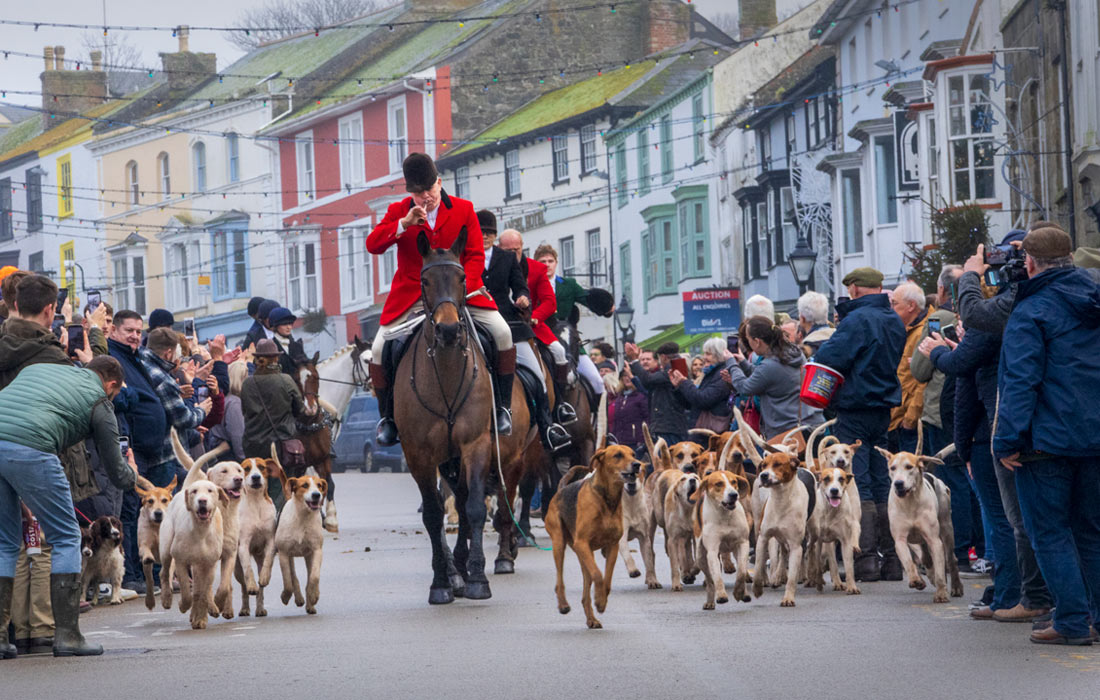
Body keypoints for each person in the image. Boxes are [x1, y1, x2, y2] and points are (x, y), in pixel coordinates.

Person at [993, 224, 1100, 646]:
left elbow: (1022, 381)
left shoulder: (1031, 310)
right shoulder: (1093, 300)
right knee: (1091, 530)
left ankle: (1072, 621)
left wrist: (1006, 440)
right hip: (1094, 437)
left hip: (1045, 441)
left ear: (1031, 263)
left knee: (1050, 533)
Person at [367, 152, 514, 444]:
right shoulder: (400, 211)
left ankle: (502, 408)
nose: (425, 197)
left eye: (429, 190)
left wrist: (462, 289)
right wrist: (403, 224)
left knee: (503, 333)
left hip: (460, 293)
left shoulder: (463, 209)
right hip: (412, 296)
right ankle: (388, 419)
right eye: (418, 193)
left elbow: (474, 255)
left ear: (439, 182)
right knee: (378, 349)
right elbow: (373, 245)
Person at [0, 355, 138, 657]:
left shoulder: (39, 368)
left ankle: (0, 638)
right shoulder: (100, 403)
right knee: (67, 538)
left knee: (5, 544)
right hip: (32, 447)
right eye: (115, 392)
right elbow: (116, 472)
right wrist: (134, 475)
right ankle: (68, 635)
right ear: (111, 384)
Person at [919, 313, 1021, 619]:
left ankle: (1010, 594)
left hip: (987, 438)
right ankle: (1023, 593)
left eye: (966, 319)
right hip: (1001, 436)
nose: (961, 323)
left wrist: (941, 353)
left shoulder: (985, 337)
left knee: (1004, 521)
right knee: (1020, 522)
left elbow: (962, 388)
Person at [813, 267, 905, 583]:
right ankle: (893, 560)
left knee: (858, 482)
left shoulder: (856, 320)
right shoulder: (894, 319)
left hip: (854, 408)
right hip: (883, 409)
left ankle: (865, 560)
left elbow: (830, 356)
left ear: (853, 289)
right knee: (883, 482)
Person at [909, 265, 985, 577]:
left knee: (950, 484)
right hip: (977, 410)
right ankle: (980, 550)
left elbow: (919, 370)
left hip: (943, 413)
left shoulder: (938, 321)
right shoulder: (986, 315)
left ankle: (957, 550)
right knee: (976, 485)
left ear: (942, 291)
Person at [480, 216, 569, 451]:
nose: (485, 236)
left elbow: (520, 285)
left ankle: (548, 426)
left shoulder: (507, 260)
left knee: (538, 374)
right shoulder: (465, 255)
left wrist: (523, 297)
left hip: (509, 320)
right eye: (481, 232)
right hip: (475, 316)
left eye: (489, 232)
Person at [499, 230, 577, 426]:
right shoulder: (494, 266)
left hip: (531, 326)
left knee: (559, 352)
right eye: (507, 250)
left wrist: (534, 318)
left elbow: (550, 302)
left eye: (515, 250)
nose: (511, 254)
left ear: (522, 247)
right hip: (501, 324)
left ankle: (559, 405)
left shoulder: (536, 269)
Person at [533, 243, 610, 402]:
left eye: (550, 261)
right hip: (542, 340)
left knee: (597, 381)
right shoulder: (531, 284)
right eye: (542, 261)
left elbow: (586, 298)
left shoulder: (569, 284)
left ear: (556, 263)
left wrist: (605, 308)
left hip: (569, 342)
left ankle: (596, 421)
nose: (547, 265)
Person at [724, 316, 824, 437]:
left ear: (757, 341)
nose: (748, 342)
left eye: (748, 338)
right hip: (802, 425)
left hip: (784, 432)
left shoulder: (770, 364)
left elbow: (745, 387)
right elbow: (766, 375)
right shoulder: (792, 353)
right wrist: (743, 363)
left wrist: (731, 363)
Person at [241, 340, 303, 505]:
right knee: (280, 486)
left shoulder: (247, 383)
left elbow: (245, 412)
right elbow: (300, 410)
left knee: (257, 488)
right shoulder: (286, 380)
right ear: (276, 359)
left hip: (253, 445)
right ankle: (276, 521)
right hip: (281, 445)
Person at [888, 282, 930, 454]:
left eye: (894, 304)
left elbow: (923, 380)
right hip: (900, 418)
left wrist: (910, 419)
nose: (891, 308)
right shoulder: (908, 330)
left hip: (911, 423)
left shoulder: (922, 333)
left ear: (911, 306)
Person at [624, 341, 689, 446]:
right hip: (672, 426)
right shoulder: (680, 367)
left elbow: (648, 380)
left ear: (663, 357)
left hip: (669, 427)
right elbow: (648, 390)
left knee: (665, 460)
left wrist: (635, 360)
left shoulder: (673, 370)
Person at [671, 338, 735, 441]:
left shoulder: (723, 374)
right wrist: (678, 387)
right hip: (701, 431)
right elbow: (691, 404)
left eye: (708, 354)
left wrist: (684, 382)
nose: (704, 357)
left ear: (718, 354)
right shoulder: (710, 373)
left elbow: (704, 399)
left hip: (711, 433)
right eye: (704, 353)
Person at [610, 371, 647, 454]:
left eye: (630, 375)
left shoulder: (641, 397)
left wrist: (642, 439)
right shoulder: (620, 397)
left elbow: (647, 418)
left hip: (635, 443)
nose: (627, 378)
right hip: (620, 441)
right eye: (624, 376)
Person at [266, 306, 298, 375]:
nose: (289, 327)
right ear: (275, 326)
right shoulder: (269, 348)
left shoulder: (297, 346)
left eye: (290, 323)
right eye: (284, 324)